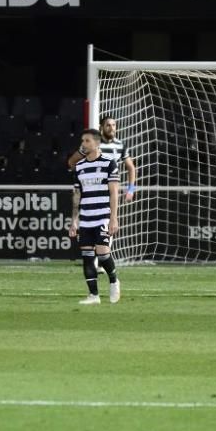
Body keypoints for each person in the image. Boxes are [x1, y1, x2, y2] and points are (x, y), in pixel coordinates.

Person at [68, 129, 121, 305]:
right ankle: (94, 296)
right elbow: (77, 195)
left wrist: (114, 218)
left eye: (87, 140)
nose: (84, 144)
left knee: (103, 254)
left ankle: (114, 281)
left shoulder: (109, 163)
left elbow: (114, 193)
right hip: (86, 217)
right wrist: (74, 221)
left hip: (103, 216)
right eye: (83, 140)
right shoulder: (80, 167)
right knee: (87, 255)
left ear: (97, 143)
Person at [68, 115, 136, 203]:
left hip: (110, 191)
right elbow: (72, 162)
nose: (111, 128)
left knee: (110, 215)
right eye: (108, 125)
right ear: (101, 127)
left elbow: (131, 168)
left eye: (114, 125)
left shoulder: (120, 145)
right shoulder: (91, 143)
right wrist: (83, 177)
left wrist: (131, 190)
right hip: (90, 190)